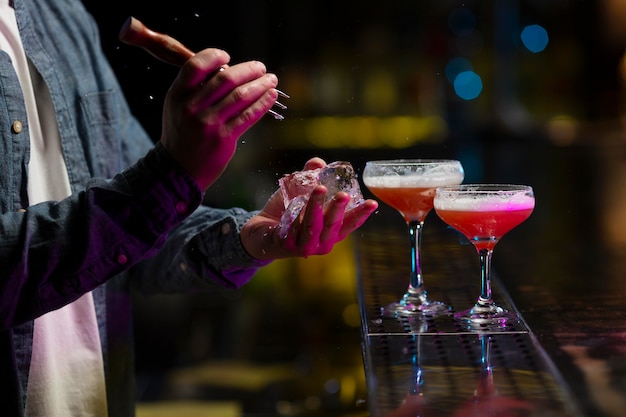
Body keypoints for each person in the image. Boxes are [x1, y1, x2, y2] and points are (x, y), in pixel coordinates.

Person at [0, 0, 378, 415]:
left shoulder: (62, 18)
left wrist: (251, 235)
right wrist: (171, 175)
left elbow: (132, 240)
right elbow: (141, 203)